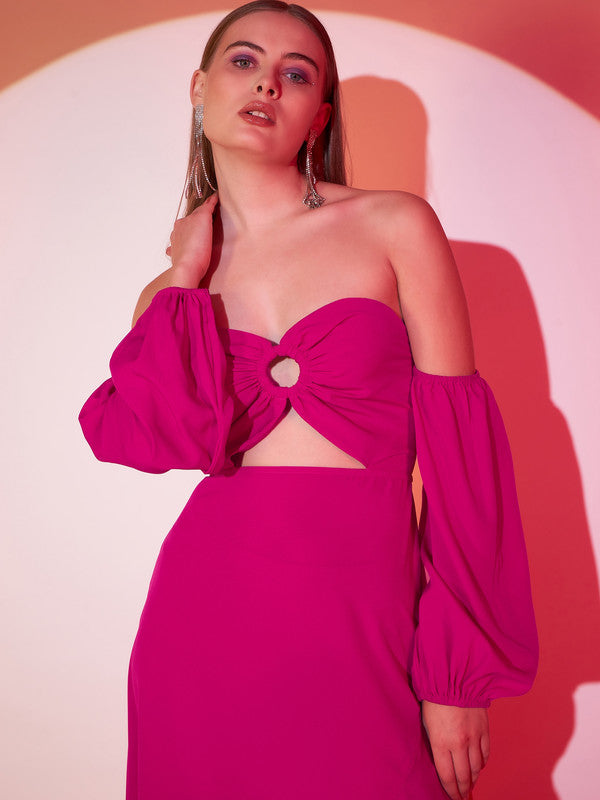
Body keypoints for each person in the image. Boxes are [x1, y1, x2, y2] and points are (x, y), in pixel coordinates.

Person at [78, 2, 539, 798]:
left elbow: (462, 461)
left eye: (296, 74)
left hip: (364, 612)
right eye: (244, 61)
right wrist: (184, 273)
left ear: (318, 115)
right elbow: (147, 437)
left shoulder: (394, 224)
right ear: (200, 87)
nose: (267, 84)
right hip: (207, 616)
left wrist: (455, 677)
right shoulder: (176, 288)